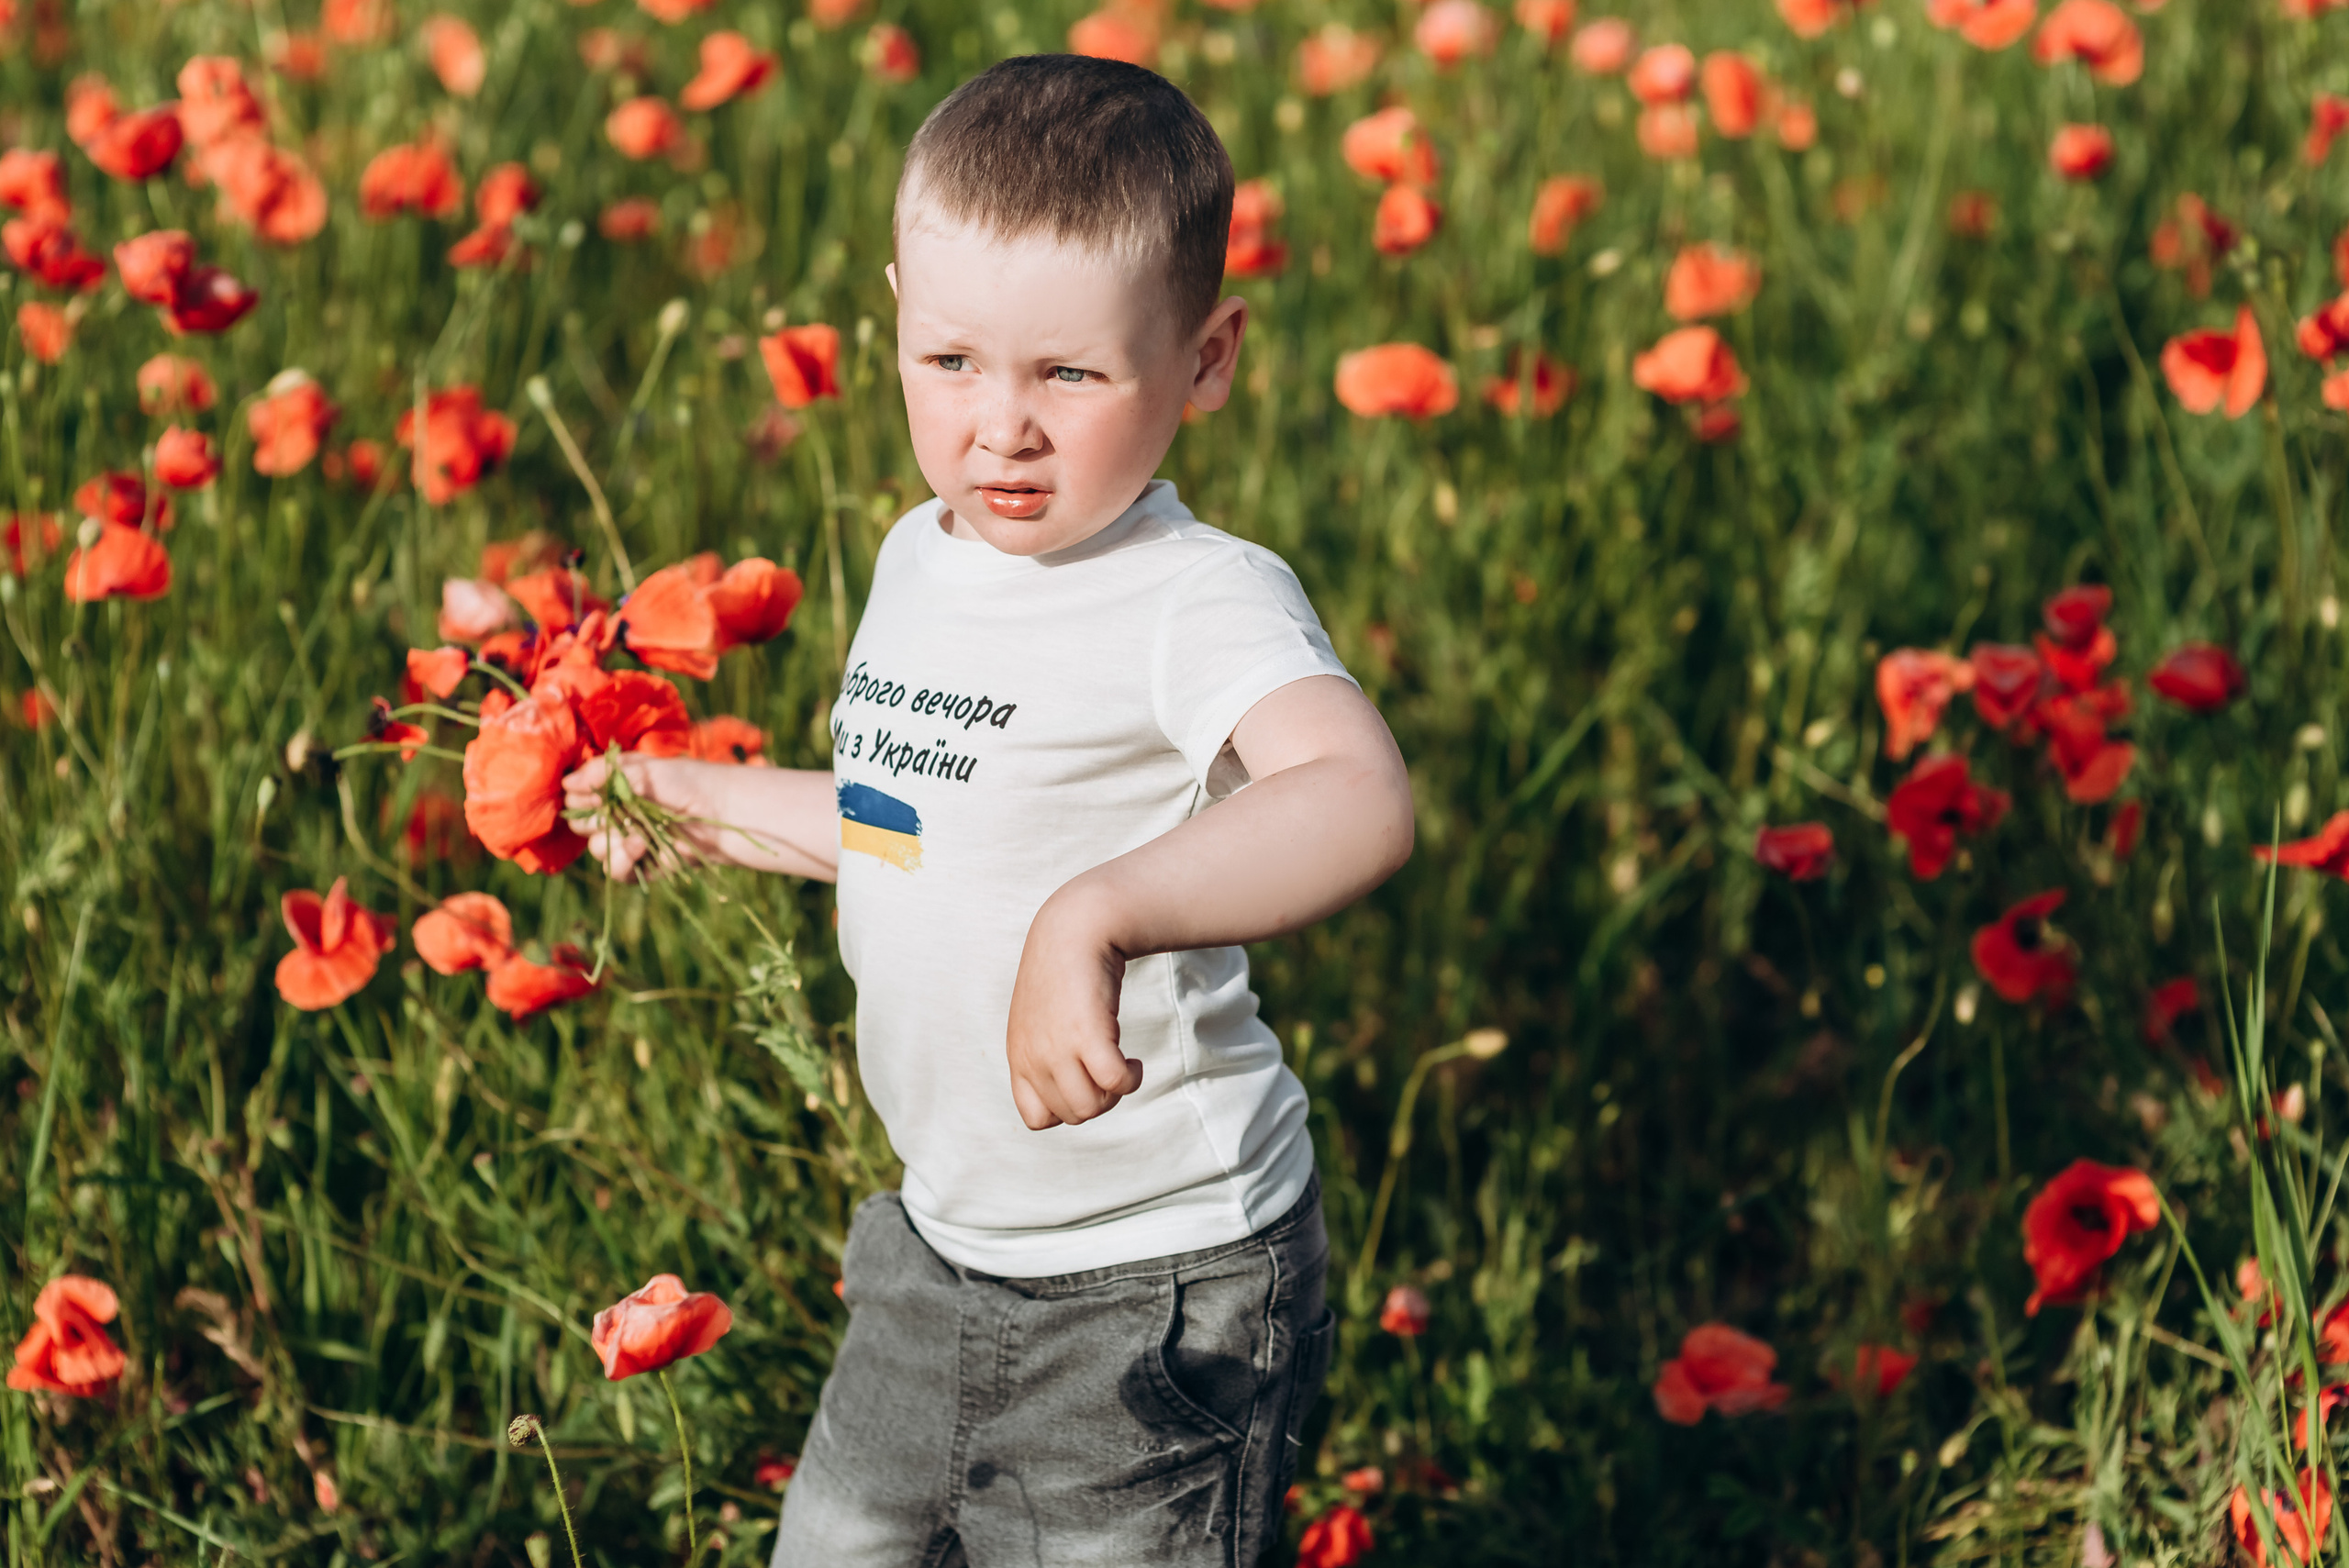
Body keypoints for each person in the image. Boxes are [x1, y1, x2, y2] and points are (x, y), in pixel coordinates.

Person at [562, 52, 1415, 1568]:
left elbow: (1357, 794)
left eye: (1069, 375)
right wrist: (695, 799)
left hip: (1159, 1274)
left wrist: (1097, 912)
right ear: (896, 315)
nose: (1001, 427)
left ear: (1207, 357)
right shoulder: (922, 557)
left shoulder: (1195, 597)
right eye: (952, 359)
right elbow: (909, 822)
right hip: (937, 1247)